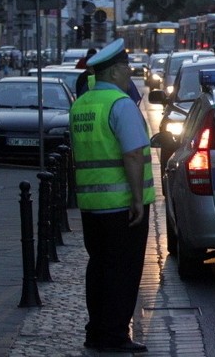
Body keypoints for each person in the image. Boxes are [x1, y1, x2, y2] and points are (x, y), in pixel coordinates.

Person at [69, 38, 154, 353]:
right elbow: (132, 154)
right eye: (127, 68)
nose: (130, 73)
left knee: (100, 268)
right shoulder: (120, 105)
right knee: (123, 271)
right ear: (117, 72)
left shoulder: (81, 105)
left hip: (92, 205)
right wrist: (136, 199)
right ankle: (115, 335)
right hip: (121, 207)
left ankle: (96, 331)